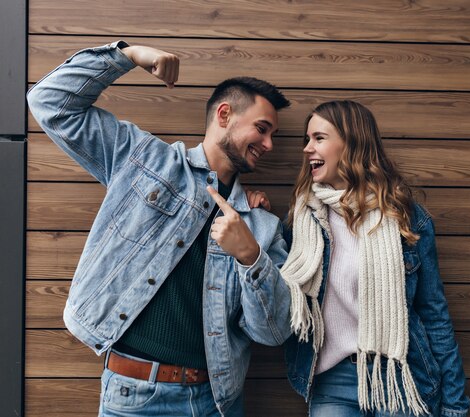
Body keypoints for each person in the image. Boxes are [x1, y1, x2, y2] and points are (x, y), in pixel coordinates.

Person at [27, 41, 292, 417]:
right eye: (262, 130)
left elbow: (273, 332)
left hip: (217, 402)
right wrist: (127, 54)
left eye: (273, 136)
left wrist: (251, 258)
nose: (268, 145)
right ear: (224, 114)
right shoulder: (144, 160)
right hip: (133, 397)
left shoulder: (263, 226)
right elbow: (49, 103)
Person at [279, 101, 470, 416]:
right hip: (333, 380)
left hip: (400, 378)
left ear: (351, 143)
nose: (307, 148)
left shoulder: (405, 219)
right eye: (307, 138)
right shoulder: (302, 221)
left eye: (318, 138)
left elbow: (435, 316)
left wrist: (454, 403)